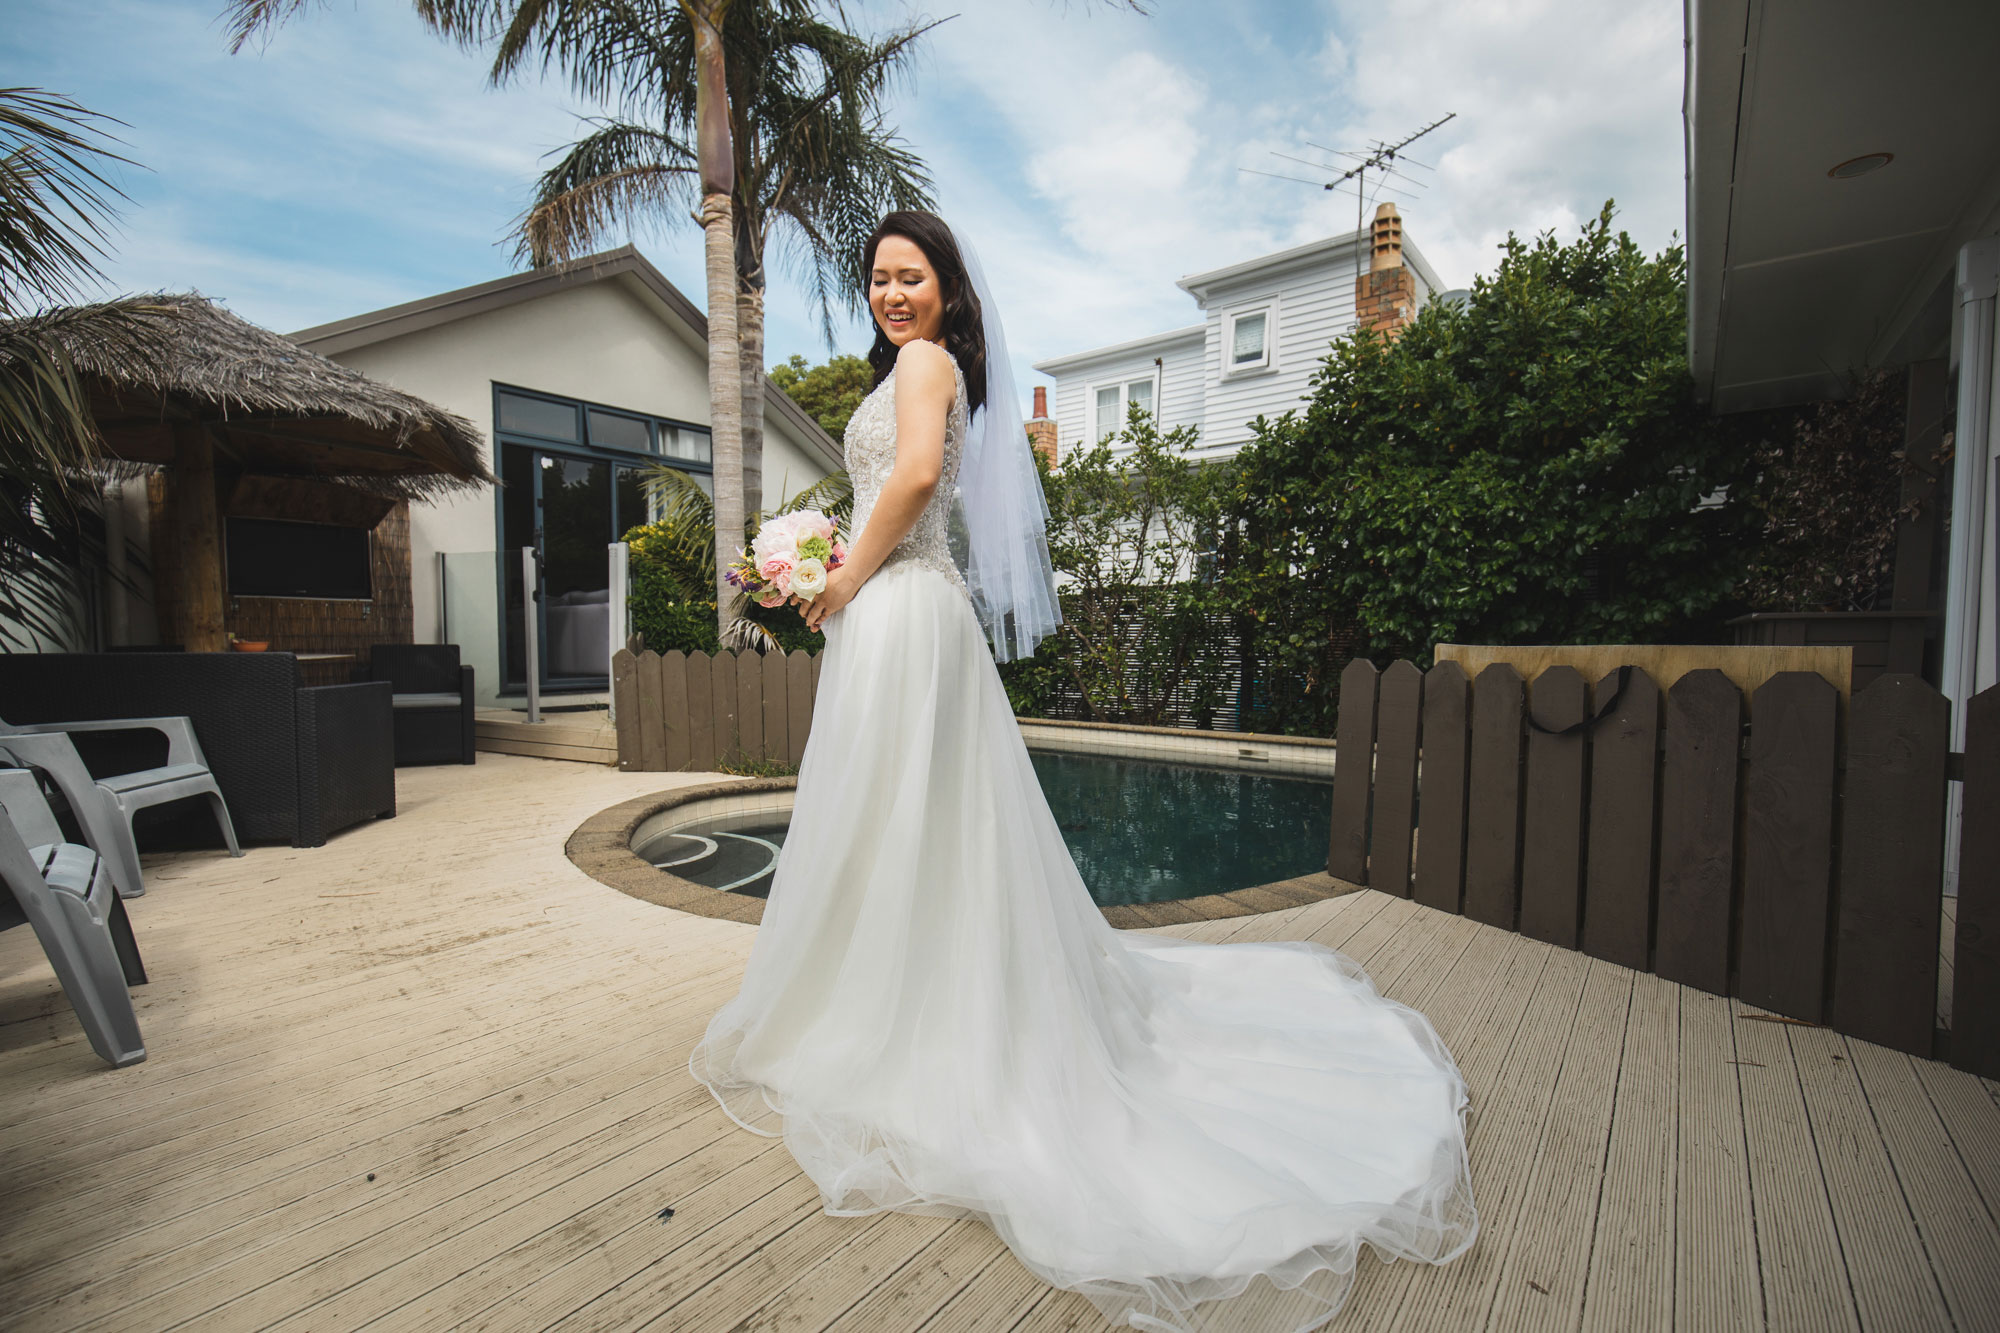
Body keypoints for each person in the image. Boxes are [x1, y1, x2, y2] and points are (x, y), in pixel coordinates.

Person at [689, 210, 1476, 1333]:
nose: (892, 295)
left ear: (947, 290)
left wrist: (839, 577)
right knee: (911, 829)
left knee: (905, 827)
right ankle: (904, 1004)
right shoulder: (921, 367)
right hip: (901, 617)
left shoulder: (923, 366)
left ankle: (907, 1024)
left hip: (904, 612)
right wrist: (822, 565)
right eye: (877, 279)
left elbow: (912, 482)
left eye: (910, 277)